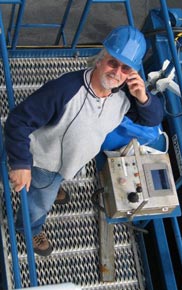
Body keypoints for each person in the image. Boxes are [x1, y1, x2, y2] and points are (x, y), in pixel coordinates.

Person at [4, 25, 163, 256]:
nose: (117, 72)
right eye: (112, 63)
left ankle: (53, 187)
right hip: (45, 164)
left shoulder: (123, 98)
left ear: (132, 74)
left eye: (125, 68)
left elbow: (152, 120)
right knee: (39, 202)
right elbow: (18, 121)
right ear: (100, 60)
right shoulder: (65, 90)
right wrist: (20, 164)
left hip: (72, 161)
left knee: (53, 184)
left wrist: (144, 97)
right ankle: (28, 227)